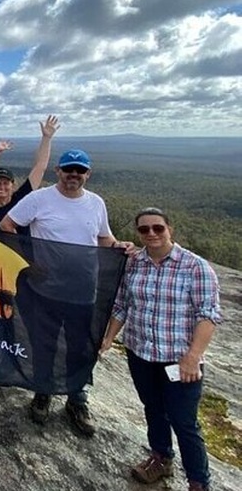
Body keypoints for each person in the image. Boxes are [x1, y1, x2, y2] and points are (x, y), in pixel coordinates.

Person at [0, 148, 134, 436]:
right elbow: (7, 225)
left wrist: (118, 246)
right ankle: (43, 391)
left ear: (88, 173)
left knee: (80, 348)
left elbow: (103, 237)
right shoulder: (39, 199)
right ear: (58, 171)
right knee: (44, 344)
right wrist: (26, 262)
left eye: (80, 170)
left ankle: (77, 398)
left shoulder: (96, 203)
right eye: (68, 169)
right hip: (44, 290)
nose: (74, 174)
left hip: (84, 290)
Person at [101, 207, 221, 491]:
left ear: (170, 229)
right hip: (140, 353)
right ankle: (161, 457)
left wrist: (193, 357)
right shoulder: (133, 264)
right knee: (153, 409)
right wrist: (108, 339)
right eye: (144, 230)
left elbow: (208, 315)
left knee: (184, 422)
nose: (151, 234)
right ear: (138, 233)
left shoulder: (195, 266)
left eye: (158, 228)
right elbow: (121, 306)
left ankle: (198, 481)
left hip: (179, 360)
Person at [0, 115, 59, 232]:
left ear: (12, 185)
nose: (1, 187)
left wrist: (46, 138)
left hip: (23, 250)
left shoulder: (21, 199)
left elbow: (40, 167)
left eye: (5, 183)